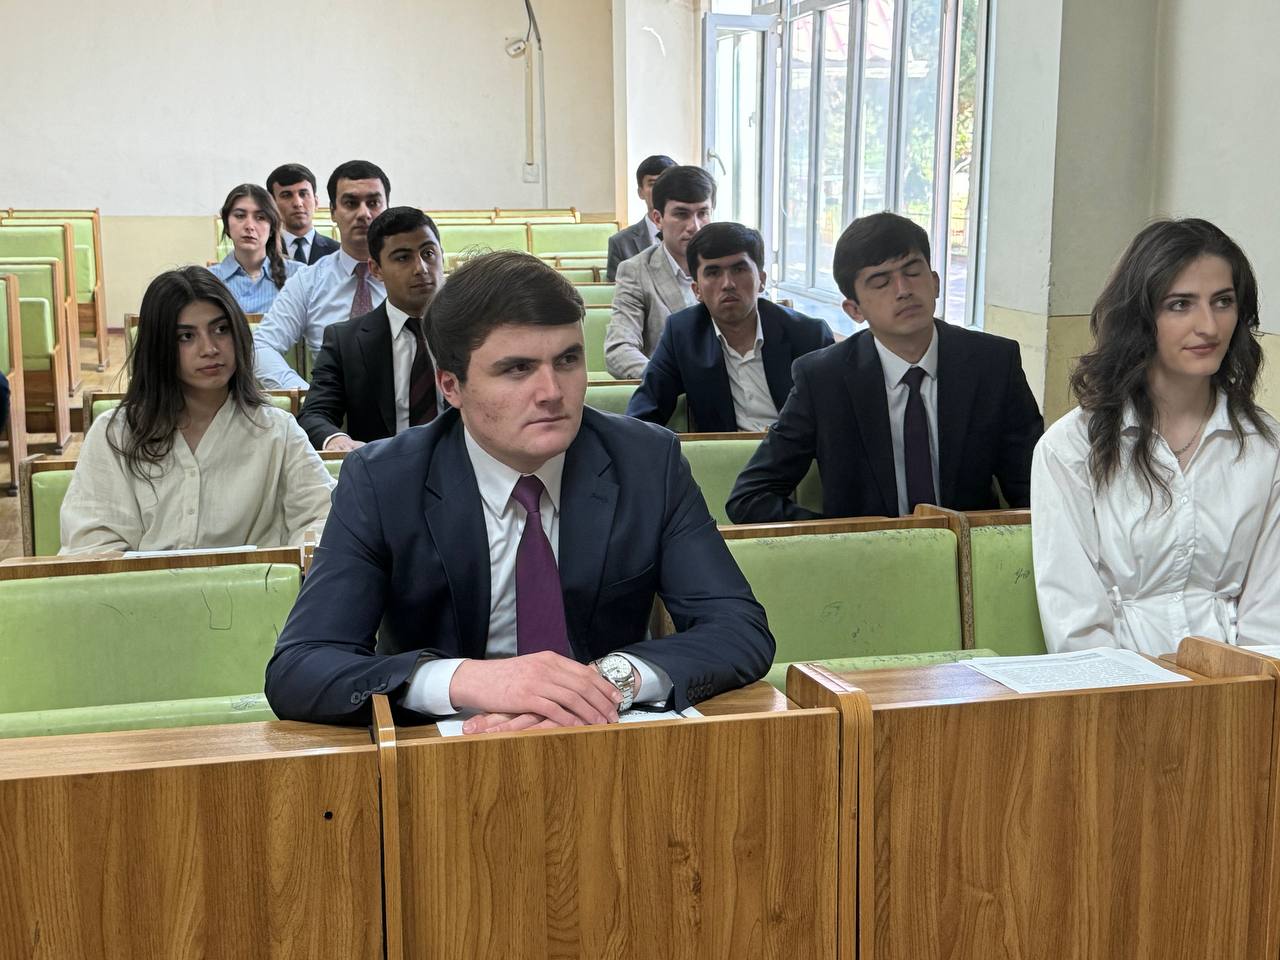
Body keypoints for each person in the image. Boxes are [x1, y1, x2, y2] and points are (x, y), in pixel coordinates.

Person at [265, 250, 773, 730]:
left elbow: (738, 628)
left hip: (605, 734)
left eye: (568, 360)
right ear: (451, 385)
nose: (552, 392)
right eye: (517, 368)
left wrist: (604, 682)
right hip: (448, 750)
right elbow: (301, 667)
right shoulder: (383, 481)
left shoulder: (646, 462)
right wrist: (469, 680)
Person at [1032, 218, 1280, 655]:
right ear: (1140, 317)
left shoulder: (1266, 446)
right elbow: (1077, 628)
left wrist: (1239, 692)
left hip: (1240, 686)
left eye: (1223, 301)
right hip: (1116, 687)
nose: (1209, 326)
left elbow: (1270, 621)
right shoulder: (1069, 448)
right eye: (1181, 304)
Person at [727, 212, 1043, 522]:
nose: (903, 290)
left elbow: (1035, 490)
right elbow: (749, 497)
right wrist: (844, 537)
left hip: (970, 549)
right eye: (881, 282)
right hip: (867, 553)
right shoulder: (823, 379)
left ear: (935, 283)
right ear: (854, 309)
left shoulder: (993, 364)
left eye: (913, 272)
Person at [60, 267, 335, 555]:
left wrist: (290, 563)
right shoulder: (116, 434)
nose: (210, 348)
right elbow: (91, 545)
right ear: (159, 347)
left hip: (257, 584)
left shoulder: (276, 429)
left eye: (221, 330)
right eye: (186, 336)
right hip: (139, 585)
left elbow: (323, 517)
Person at [626, 222, 834, 432]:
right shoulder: (682, 334)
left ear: (761, 280)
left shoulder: (810, 335)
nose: (728, 284)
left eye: (739, 269)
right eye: (713, 273)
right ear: (697, 290)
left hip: (796, 450)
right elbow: (643, 414)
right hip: (722, 451)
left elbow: (835, 420)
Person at [299, 207, 445, 451]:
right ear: (376, 269)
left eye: (428, 253)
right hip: (383, 466)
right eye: (403, 258)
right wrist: (337, 440)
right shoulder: (345, 341)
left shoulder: (475, 332)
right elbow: (314, 414)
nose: (420, 268)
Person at [253, 160, 390, 389]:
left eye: (373, 203)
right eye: (351, 203)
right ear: (333, 211)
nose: (363, 213)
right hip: (330, 403)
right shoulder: (308, 281)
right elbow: (261, 346)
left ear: (387, 209)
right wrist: (308, 395)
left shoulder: (412, 279)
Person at [605, 165, 715, 379]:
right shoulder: (635, 271)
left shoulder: (731, 264)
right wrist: (673, 381)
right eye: (681, 214)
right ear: (658, 219)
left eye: (703, 213)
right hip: (672, 393)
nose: (694, 226)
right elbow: (619, 350)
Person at [208, 184, 302, 316]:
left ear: (272, 228)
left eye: (260, 217)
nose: (249, 226)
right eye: (240, 216)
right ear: (226, 224)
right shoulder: (209, 279)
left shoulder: (299, 275)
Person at [605, 154, 676, 281]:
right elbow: (618, 289)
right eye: (653, 184)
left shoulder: (692, 237)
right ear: (640, 192)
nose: (661, 190)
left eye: (667, 184)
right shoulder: (621, 243)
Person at [266, 163, 340, 265]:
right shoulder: (262, 253)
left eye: (303, 194)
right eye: (286, 195)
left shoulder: (338, 253)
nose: (297, 203)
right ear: (272, 204)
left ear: (316, 201)